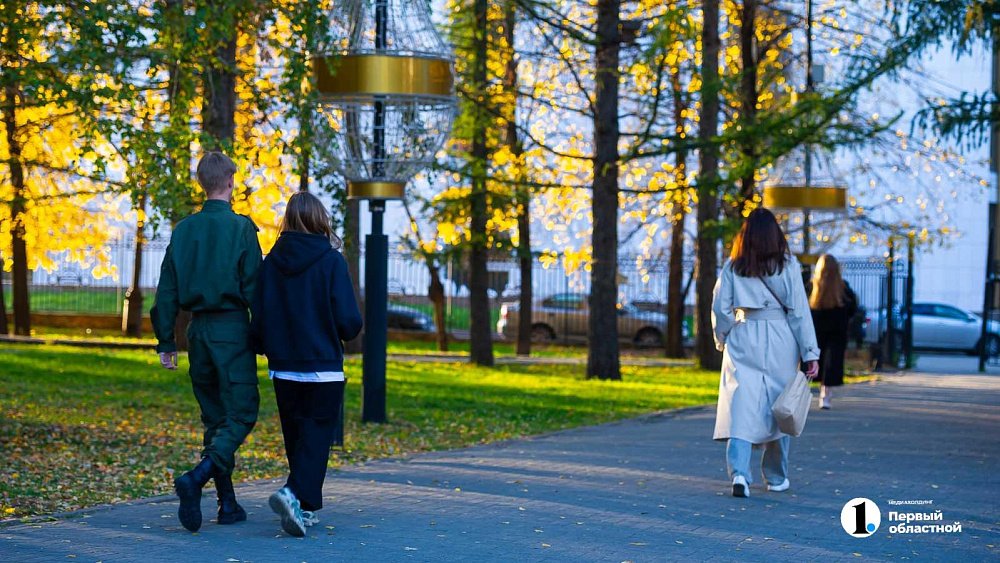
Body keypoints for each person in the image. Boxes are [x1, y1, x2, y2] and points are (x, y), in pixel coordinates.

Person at [151, 151, 263, 532]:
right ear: (230, 182)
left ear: (202, 183)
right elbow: (255, 290)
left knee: (215, 419)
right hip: (231, 331)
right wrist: (263, 336)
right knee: (242, 412)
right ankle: (196, 478)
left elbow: (166, 289)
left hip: (195, 332)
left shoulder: (184, 230)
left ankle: (227, 503)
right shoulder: (242, 229)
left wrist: (166, 341)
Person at [250, 192, 363, 537]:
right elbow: (349, 320)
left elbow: (261, 312)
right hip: (322, 365)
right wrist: (346, 331)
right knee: (315, 437)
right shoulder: (331, 262)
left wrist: (262, 345)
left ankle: (304, 507)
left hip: (283, 366)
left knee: (297, 438)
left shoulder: (270, 263)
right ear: (319, 219)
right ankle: (292, 493)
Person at [711, 208, 820, 498]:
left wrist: (723, 337)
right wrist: (810, 352)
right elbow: (799, 311)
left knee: (741, 405)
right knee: (779, 406)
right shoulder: (788, 266)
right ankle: (776, 476)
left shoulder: (734, 266)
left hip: (744, 333)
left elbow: (720, 307)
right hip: (781, 337)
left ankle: (740, 475)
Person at [809, 254, 858, 410]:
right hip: (837, 331)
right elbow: (853, 308)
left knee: (814, 361)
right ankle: (826, 395)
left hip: (815, 332)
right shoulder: (843, 288)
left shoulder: (811, 287)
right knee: (831, 363)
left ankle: (804, 394)